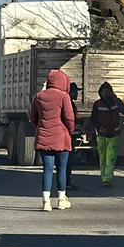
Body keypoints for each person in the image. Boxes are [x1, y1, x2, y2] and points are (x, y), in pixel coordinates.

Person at [29, 69, 75, 211]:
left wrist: (39, 128)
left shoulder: (38, 96)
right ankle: (61, 200)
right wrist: (70, 131)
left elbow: (33, 117)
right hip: (61, 138)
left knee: (47, 169)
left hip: (44, 137)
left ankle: (45, 202)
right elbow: (69, 118)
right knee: (61, 169)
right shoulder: (63, 96)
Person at [89, 81, 124, 187]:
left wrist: (117, 101)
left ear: (111, 92)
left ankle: (107, 178)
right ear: (100, 93)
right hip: (102, 134)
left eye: (107, 91)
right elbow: (93, 119)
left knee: (110, 157)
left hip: (114, 134)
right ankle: (104, 176)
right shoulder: (97, 104)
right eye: (103, 91)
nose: (105, 93)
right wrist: (98, 128)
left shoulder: (116, 102)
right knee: (102, 157)